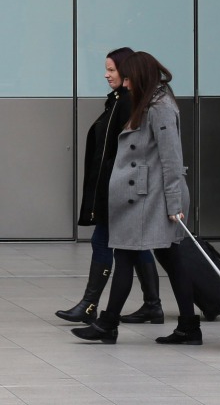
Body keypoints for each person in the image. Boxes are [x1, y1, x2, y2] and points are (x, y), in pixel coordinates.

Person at [72, 51, 199, 345]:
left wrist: (174, 204)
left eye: (126, 76)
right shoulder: (148, 101)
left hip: (152, 199)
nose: (123, 83)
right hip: (143, 196)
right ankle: (187, 326)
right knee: (160, 259)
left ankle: (108, 325)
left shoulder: (160, 106)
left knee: (136, 257)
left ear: (139, 75)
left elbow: (171, 158)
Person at [55, 47, 163, 325]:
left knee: (102, 241)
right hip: (114, 186)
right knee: (135, 247)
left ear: (127, 71)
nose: (106, 75)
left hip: (119, 188)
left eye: (112, 70)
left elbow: (128, 150)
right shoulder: (118, 100)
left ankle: (89, 306)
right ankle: (153, 305)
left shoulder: (127, 102)